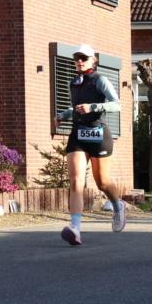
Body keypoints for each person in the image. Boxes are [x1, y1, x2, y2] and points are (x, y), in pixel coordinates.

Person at [56, 44, 126, 245]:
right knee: (76, 180)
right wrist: (64, 115)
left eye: (84, 58)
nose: (80, 61)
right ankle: (75, 227)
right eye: (77, 57)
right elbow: (76, 107)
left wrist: (93, 106)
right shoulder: (74, 82)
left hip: (98, 133)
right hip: (78, 133)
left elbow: (117, 104)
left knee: (102, 182)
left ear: (93, 60)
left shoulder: (100, 80)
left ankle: (117, 204)